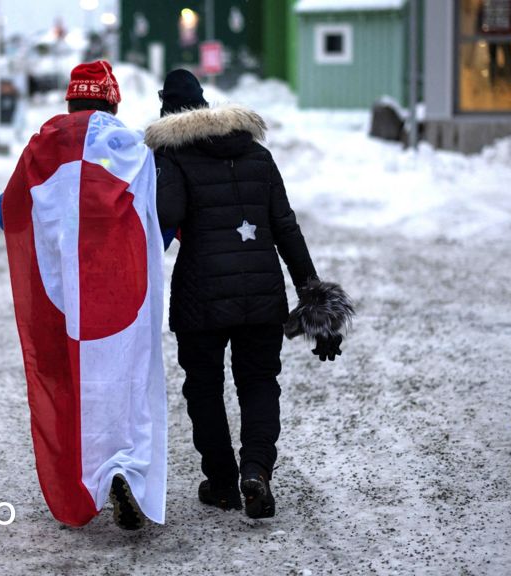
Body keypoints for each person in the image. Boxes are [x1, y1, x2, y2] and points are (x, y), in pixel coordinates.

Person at [145, 69, 354, 519]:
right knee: (259, 382)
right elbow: (286, 228)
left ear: (167, 116)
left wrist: (161, 163)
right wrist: (316, 302)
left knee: (204, 388)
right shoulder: (257, 154)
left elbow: (167, 213)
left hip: (200, 296)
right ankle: (256, 470)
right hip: (262, 292)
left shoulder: (173, 157)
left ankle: (222, 483)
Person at [0, 61, 167, 531]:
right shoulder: (131, 149)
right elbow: (159, 215)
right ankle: (124, 467)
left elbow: (6, 212)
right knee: (127, 381)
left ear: (70, 100)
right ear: (112, 102)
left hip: (65, 293)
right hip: (120, 290)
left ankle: (88, 477)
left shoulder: (42, 148)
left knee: (72, 384)